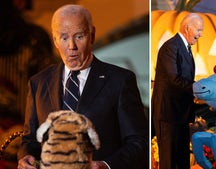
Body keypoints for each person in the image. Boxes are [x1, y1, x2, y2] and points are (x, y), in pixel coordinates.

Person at [17, 4, 148, 169]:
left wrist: (106, 165)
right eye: (64, 38)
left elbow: (138, 142)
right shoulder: (38, 83)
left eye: (79, 36)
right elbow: (29, 140)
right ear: (55, 40)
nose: (72, 46)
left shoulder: (120, 80)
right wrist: (26, 156)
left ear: (92, 35)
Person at [152, 13, 203, 169]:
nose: (201, 34)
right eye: (199, 30)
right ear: (187, 27)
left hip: (180, 114)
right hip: (168, 114)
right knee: (169, 161)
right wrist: (199, 89)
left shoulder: (185, 47)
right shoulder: (171, 47)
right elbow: (174, 79)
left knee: (182, 160)